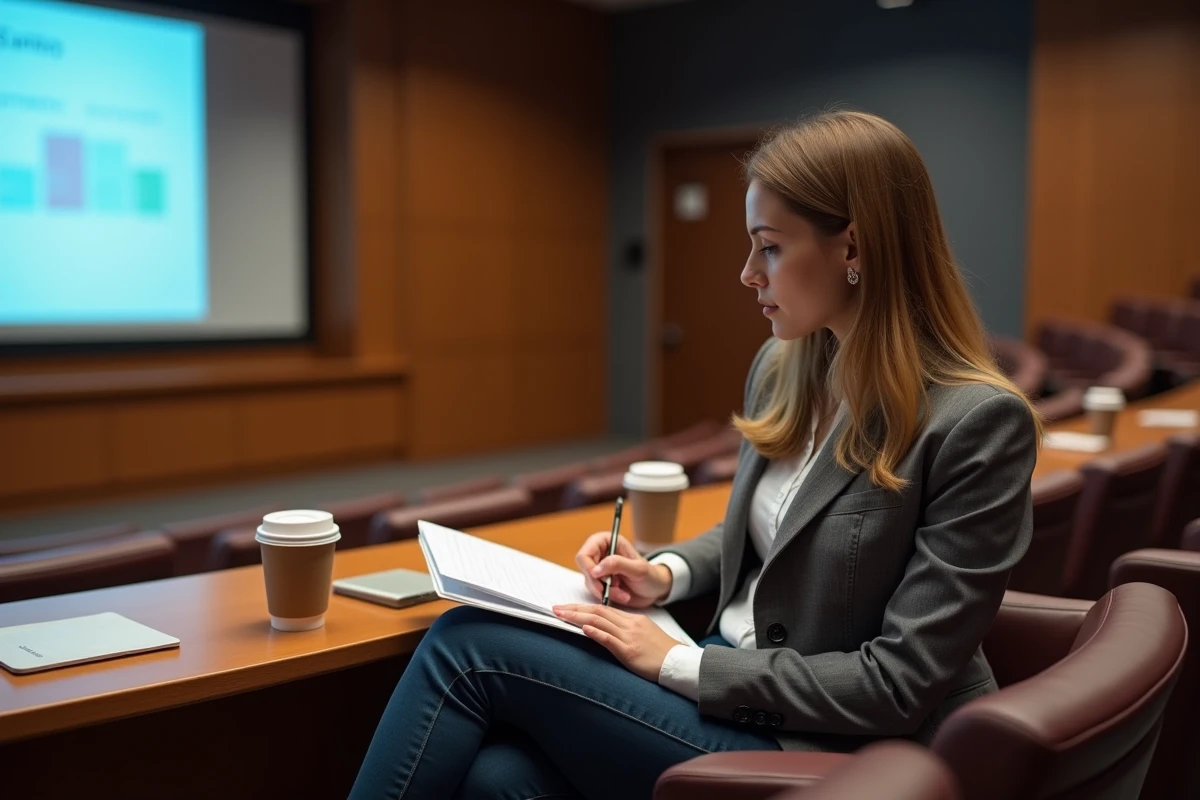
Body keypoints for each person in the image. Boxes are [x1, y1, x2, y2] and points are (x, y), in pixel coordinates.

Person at [348, 110, 1041, 800]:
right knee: (497, 779)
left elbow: (897, 685)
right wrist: (664, 573)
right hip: (727, 673)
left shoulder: (977, 423)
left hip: (835, 747)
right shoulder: (784, 365)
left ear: (853, 248)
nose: (748, 274)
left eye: (770, 248)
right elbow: (774, 533)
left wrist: (677, 664)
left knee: (467, 644)